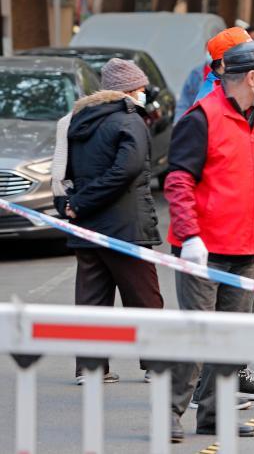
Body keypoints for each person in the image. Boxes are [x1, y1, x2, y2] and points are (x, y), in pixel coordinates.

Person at [164, 41, 254, 443]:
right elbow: (178, 182)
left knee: (231, 338)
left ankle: (214, 416)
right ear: (252, 77)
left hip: (243, 250)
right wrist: (190, 236)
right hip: (204, 253)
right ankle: (168, 413)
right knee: (197, 336)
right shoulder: (201, 119)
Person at [52, 58, 164, 383]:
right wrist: (83, 202)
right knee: (144, 298)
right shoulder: (130, 121)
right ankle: (156, 364)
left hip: (86, 227)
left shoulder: (77, 120)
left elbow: (64, 169)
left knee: (92, 299)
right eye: (141, 88)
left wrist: (73, 205)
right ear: (129, 90)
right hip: (126, 227)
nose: (144, 93)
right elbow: (126, 171)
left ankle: (90, 369)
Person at [176, 27, 251, 119]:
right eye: (244, 58)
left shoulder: (231, 90)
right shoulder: (209, 100)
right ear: (224, 62)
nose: (252, 64)